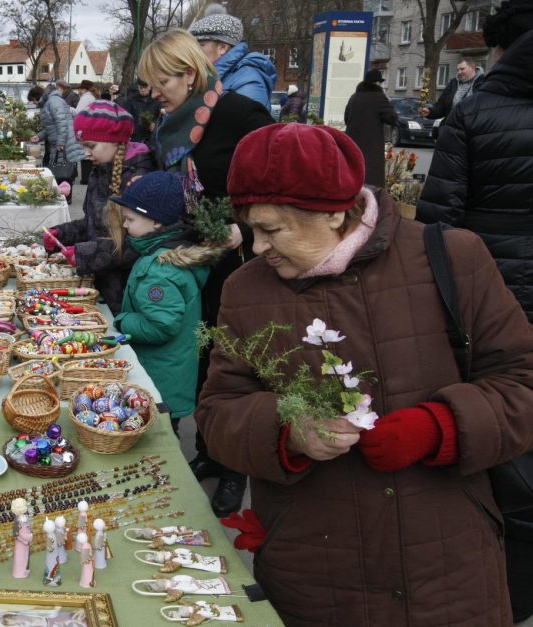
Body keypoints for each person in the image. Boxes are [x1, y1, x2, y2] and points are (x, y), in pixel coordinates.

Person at [195, 122, 533, 624]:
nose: (259, 247)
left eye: (273, 229)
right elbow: (219, 411)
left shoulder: (453, 258)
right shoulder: (248, 291)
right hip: (316, 572)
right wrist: (289, 431)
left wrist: (438, 428)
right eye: (251, 229)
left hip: (447, 566)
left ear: (334, 211)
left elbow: (521, 383)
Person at [416, 8, 533, 620]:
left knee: (499, 426)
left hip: (493, 292)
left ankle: (501, 584)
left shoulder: (478, 108)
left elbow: (440, 220)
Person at [138, 27, 273, 516]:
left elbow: (272, 183)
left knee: (233, 363)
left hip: (241, 258)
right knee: (201, 358)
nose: (154, 95)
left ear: (190, 73)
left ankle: (235, 467)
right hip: (197, 257)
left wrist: (242, 227)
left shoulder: (241, 114)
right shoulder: (173, 125)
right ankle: (210, 453)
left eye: (161, 83)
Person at [111, 171, 223, 435]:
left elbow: (160, 325)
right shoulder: (166, 253)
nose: (125, 226)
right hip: (173, 371)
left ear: (157, 223)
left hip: (160, 376)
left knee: (159, 437)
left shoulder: (158, 270)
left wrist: (122, 320)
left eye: (130, 219)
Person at [43, 101, 156, 314]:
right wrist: (62, 233)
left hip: (127, 288)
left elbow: (138, 243)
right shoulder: (101, 169)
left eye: (91, 146)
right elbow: (93, 223)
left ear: (115, 141)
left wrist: (85, 255)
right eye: (82, 145)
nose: (85, 153)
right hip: (103, 280)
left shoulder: (139, 179)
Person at [188, 4, 277, 109]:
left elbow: (245, 123)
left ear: (222, 47)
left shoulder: (249, 79)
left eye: (200, 45)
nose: (194, 51)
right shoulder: (208, 76)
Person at [344, 69, 398, 188]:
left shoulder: (354, 97)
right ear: (377, 83)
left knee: (354, 174)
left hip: (352, 144)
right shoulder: (379, 97)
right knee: (371, 181)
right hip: (371, 146)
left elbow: (346, 118)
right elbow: (392, 118)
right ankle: (370, 203)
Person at [28, 85, 84, 174]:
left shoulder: (53, 102)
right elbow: (52, 126)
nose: (34, 103)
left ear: (37, 97)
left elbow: (62, 123)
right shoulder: (48, 103)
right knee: (59, 173)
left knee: (63, 174)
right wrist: (39, 137)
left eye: (33, 100)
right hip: (58, 142)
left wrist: (60, 142)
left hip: (64, 143)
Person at [419, 58, 484, 119]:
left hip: (472, 128)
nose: (459, 72)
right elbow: (441, 106)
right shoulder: (453, 83)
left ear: (473, 68)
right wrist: (430, 112)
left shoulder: (483, 83)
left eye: (462, 69)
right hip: (451, 127)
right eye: (457, 70)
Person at [121, 80, 161, 145]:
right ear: (138, 87)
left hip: (151, 136)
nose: (143, 90)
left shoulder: (156, 100)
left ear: (149, 87)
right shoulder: (131, 100)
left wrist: (155, 124)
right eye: (141, 88)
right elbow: (125, 116)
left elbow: (160, 116)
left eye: (145, 87)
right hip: (136, 136)